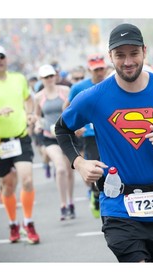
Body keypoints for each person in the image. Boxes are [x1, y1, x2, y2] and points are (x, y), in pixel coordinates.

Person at [55, 23, 153, 262]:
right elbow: (62, 128)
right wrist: (78, 163)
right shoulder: (94, 96)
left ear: (144, 51)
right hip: (118, 204)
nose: (128, 61)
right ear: (110, 56)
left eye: (133, 53)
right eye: (120, 55)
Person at [0, 45, 40, 244]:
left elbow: (28, 99)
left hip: (20, 137)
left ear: (6, 59)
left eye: (2, 56)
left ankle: (28, 222)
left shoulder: (18, 79)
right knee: (8, 186)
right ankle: (13, 223)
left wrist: (31, 114)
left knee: (26, 180)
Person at [63, 54, 108, 219]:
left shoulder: (112, 84)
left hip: (109, 133)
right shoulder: (79, 87)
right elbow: (67, 109)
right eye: (96, 69)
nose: (99, 72)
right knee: (96, 169)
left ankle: (107, 198)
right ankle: (95, 194)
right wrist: (75, 126)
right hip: (90, 135)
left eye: (102, 68)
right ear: (90, 70)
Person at [34, 64, 75, 221]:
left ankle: (71, 202)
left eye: (51, 76)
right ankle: (63, 204)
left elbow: (73, 108)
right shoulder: (38, 97)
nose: (49, 79)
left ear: (55, 76)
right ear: (41, 79)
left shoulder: (65, 91)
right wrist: (38, 124)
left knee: (69, 170)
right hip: (49, 137)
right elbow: (37, 115)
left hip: (66, 135)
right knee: (60, 169)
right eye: (46, 77)